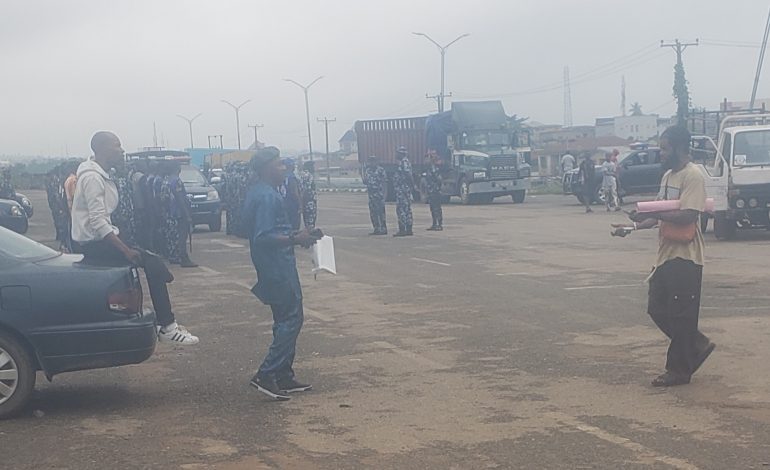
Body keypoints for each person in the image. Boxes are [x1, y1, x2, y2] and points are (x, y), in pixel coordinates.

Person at [71, 131, 198, 345]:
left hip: (99, 240)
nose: (121, 150)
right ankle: (167, 326)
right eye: (116, 145)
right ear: (101, 148)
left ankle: (165, 310)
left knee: (153, 262)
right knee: (149, 261)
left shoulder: (99, 174)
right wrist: (125, 250)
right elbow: (98, 222)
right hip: (94, 244)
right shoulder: (93, 177)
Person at [612, 125, 715, 387]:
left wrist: (654, 215)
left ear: (680, 148)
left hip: (687, 256)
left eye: (664, 148)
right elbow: (659, 214)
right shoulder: (668, 175)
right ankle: (697, 344)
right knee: (657, 308)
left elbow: (689, 214)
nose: (660, 153)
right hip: (666, 255)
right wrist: (633, 226)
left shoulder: (693, 176)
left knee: (681, 315)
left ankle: (678, 371)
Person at [242, 147, 320, 400]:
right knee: (292, 318)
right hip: (276, 264)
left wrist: (299, 238)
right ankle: (267, 373)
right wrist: (294, 238)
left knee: (284, 318)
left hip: (275, 261)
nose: (284, 168)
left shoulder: (262, 192)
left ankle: (283, 374)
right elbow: (263, 236)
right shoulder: (267, 197)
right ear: (265, 169)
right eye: (278, 165)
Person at [363, 155, 387, 235]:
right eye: (370, 161)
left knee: (381, 212)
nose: (372, 162)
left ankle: (383, 228)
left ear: (376, 161)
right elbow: (365, 181)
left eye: (373, 161)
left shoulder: (381, 170)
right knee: (373, 212)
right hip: (371, 195)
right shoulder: (368, 170)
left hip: (379, 194)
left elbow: (384, 183)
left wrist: (384, 195)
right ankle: (376, 228)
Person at [393, 146, 414, 237]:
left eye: (397, 153)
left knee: (401, 209)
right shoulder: (406, 162)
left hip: (402, 189)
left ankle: (402, 229)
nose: (396, 154)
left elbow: (408, 174)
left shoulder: (403, 162)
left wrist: (411, 185)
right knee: (407, 209)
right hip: (405, 188)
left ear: (401, 154)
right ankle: (409, 229)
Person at [280, 158, 302, 231]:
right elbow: (294, 192)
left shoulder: (281, 176)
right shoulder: (291, 177)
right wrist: (300, 204)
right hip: (292, 204)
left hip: (283, 202)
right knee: (294, 226)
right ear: (290, 166)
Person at [426, 150, 443, 231]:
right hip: (431, 190)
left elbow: (438, 179)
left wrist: (437, 187)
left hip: (435, 190)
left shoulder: (434, 167)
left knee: (436, 208)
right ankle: (434, 223)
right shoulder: (430, 167)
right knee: (433, 208)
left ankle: (439, 224)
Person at [300, 160, 317, 230]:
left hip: (309, 200)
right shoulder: (308, 175)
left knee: (310, 221)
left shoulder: (306, 174)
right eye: (313, 166)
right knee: (310, 221)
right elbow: (305, 189)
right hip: (308, 201)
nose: (314, 168)